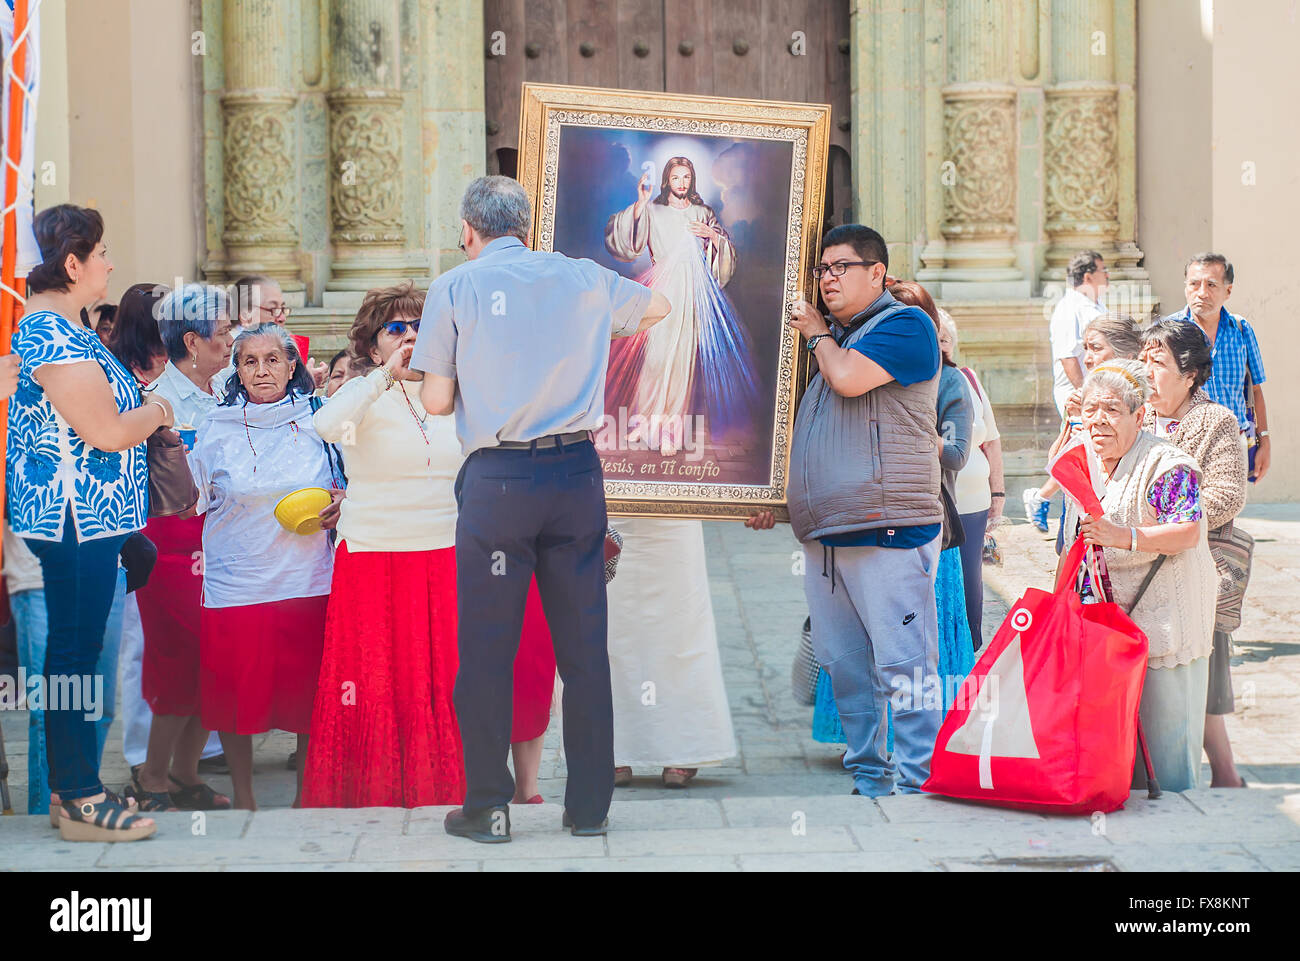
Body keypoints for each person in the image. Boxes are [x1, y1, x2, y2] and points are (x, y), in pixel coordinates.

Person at [410, 175, 669, 842]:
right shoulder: (582, 277)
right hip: (576, 474)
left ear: (469, 229)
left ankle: (489, 806)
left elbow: (436, 402)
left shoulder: (456, 287)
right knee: (584, 648)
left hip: (499, 480)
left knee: (488, 650)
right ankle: (588, 808)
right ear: (528, 226)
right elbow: (659, 306)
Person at [755, 224, 944, 797]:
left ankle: (918, 779)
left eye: (841, 267)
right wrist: (777, 504)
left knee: (904, 663)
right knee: (845, 666)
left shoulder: (905, 327)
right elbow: (831, 450)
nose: (828, 279)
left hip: (889, 530)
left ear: (877, 274)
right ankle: (869, 774)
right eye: (822, 270)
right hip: (830, 537)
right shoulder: (837, 340)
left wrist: (815, 334)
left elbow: (849, 380)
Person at [8, 204, 165, 841]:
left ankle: (75, 791)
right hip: (73, 521)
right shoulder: (48, 332)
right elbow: (103, 433)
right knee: (73, 659)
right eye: (99, 253)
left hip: (95, 524)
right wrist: (156, 410)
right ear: (71, 265)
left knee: (77, 654)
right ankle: (77, 796)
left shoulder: (66, 332)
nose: (108, 264)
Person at [809, 279, 974, 756]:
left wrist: (907, 437)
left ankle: (922, 756)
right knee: (857, 646)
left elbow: (960, 452)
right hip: (856, 521)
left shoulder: (947, 380)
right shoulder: (850, 364)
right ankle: (867, 748)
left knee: (913, 653)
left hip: (916, 528)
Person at [189, 323, 339, 810]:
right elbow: (193, 500)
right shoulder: (215, 427)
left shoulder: (321, 422)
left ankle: (304, 794)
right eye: (249, 361)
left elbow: (347, 484)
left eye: (273, 359)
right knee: (236, 695)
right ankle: (246, 797)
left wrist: (342, 501)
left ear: (292, 366)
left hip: (306, 578)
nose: (262, 370)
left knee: (306, 694)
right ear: (236, 370)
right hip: (237, 582)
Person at [1061, 359, 1217, 794]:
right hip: (1106, 632)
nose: (1097, 421)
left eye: (1111, 409)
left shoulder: (1166, 464)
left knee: (1166, 759)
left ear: (1139, 415)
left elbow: (1187, 531)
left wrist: (1123, 536)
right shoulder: (1087, 464)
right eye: (1089, 410)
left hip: (1165, 623)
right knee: (1116, 754)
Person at [107, 284, 225, 779]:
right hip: (166, 548)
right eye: (224, 332)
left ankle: (186, 770)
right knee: (153, 655)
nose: (232, 340)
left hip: (220, 548)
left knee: (211, 660)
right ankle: (144, 761)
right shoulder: (152, 402)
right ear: (193, 343)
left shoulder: (227, 392)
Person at [1141, 320, 1248, 788]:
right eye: (1143, 360)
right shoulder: (1133, 415)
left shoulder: (1216, 421)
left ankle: (1213, 779)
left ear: (1189, 374)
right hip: (1137, 570)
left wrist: (1162, 519)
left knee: (1198, 684)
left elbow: (1226, 494)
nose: (1146, 372)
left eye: (1158, 362)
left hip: (1194, 573)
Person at [603, 156, 759, 455]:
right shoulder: (653, 210)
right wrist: (640, 202)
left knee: (681, 362)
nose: (682, 183)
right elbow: (627, 241)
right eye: (676, 178)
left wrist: (713, 235)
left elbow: (725, 254)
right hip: (661, 289)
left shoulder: (702, 212)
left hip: (690, 292)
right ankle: (645, 421)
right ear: (667, 181)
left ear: (692, 180)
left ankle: (671, 430)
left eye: (686, 177)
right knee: (656, 357)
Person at [606, 517, 737, 789]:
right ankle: (613, 747)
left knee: (679, 625)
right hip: (611, 500)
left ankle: (680, 747)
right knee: (612, 624)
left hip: (675, 500)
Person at [1162, 252, 1270, 483]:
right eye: (1194, 284)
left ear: (1228, 291)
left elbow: (1256, 390)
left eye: (1211, 284)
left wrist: (1264, 440)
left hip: (1232, 442)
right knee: (1184, 515)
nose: (1202, 292)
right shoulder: (1168, 332)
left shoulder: (1241, 330)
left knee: (1226, 513)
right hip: (1181, 442)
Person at [1024, 251, 1108, 532]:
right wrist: (1084, 394)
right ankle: (1048, 503)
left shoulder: (1095, 305)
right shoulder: (1068, 308)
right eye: (1103, 270)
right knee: (1082, 450)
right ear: (1088, 276)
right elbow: (1067, 355)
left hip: (1100, 392)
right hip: (1079, 393)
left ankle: (1043, 498)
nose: (1107, 276)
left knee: (1088, 451)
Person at [937, 307, 1004, 651]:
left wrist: (999, 493)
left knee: (970, 579)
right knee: (942, 583)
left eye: (945, 339)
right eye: (934, 338)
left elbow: (991, 439)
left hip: (973, 501)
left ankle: (970, 646)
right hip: (936, 502)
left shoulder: (969, 379)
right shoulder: (922, 382)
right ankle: (946, 648)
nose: (940, 345)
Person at [227, 274, 328, 388]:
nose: (282, 318)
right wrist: (305, 384)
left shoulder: (284, 343)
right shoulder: (226, 351)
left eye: (283, 309)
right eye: (273, 310)